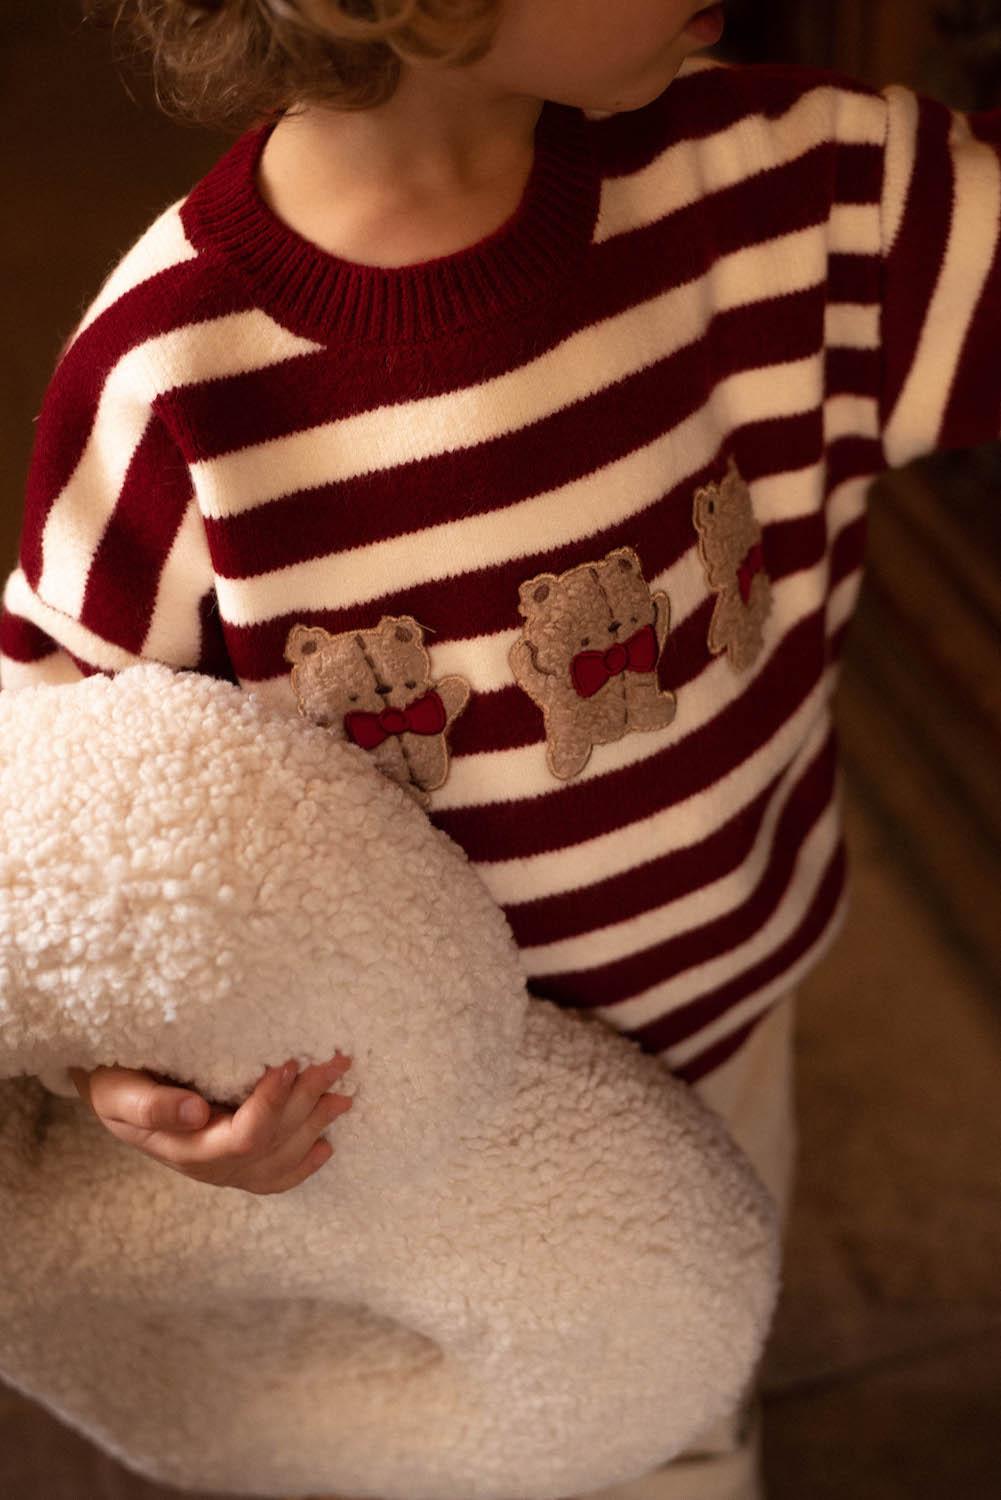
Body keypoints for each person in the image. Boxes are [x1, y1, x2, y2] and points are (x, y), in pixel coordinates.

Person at [1, 1, 998, 1495]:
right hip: (378, 1122)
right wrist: (121, 1084)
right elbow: (55, 825)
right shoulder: (173, 375)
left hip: (730, 1002)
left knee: (675, 1405)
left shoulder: (803, 186)